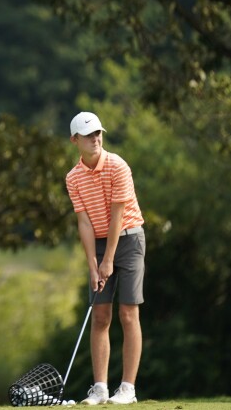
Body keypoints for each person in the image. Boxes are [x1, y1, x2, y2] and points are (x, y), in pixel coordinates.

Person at [64, 112, 145, 405]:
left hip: (129, 238)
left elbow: (117, 215)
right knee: (100, 315)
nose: (95, 138)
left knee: (127, 313)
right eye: (88, 135)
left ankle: (127, 389)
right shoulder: (73, 178)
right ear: (75, 140)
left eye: (98, 133)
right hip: (98, 243)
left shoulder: (117, 165)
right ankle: (99, 388)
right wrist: (92, 264)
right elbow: (84, 223)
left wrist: (107, 260)